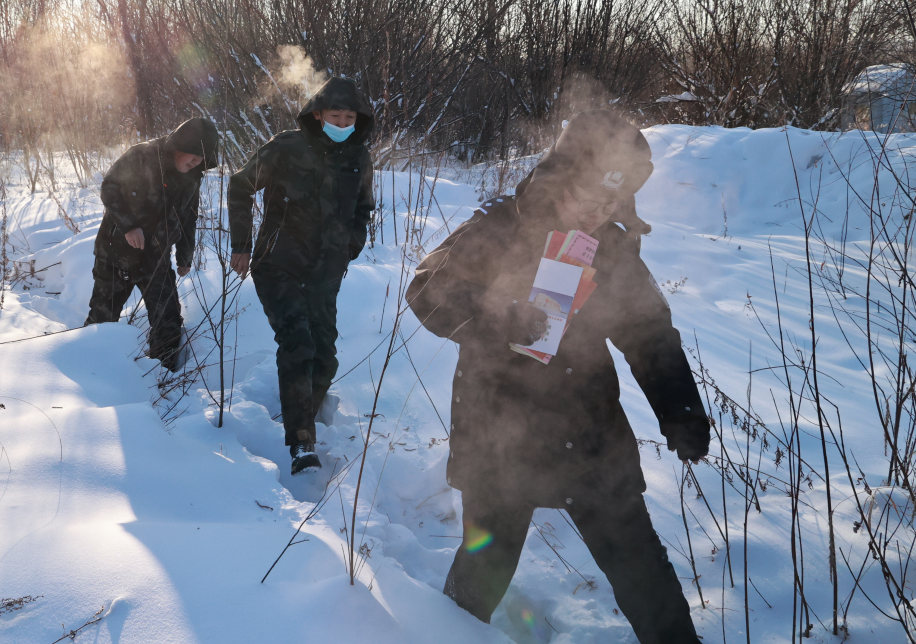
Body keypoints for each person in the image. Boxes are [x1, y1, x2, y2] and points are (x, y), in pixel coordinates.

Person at [405, 110, 709, 644]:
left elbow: (651, 336)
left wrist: (680, 407)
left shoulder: (611, 249)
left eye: (611, 203)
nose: (597, 213)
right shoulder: (497, 228)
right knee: (485, 563)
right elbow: (427, 290)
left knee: (641, 567)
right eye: (587, 197)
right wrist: (503, 317)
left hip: (589, 433)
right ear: (558, 179)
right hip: (500, 433)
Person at [228, 77, 374, 475]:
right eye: (335, 116)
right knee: (297, 343)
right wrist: (241, 243)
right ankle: (301, 442)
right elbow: (240, 186)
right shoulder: (286, 147)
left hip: (326, 272)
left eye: (349, 118)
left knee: (324, 357)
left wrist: (349, 248)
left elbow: (363, 209)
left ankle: (301, 407)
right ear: (318, 114)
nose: (342, 123)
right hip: (278, 264)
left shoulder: (359, 156)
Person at [86, 117, 219, 371]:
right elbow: (110, 188)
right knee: (102, 319)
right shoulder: (142, 155)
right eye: (192, 157)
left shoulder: (193, 177)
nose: (195, 163)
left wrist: (185, 256)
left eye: (200, 160)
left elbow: (189, 216)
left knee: (168, 320)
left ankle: (161, 376)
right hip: (116, 255)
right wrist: (129, 226)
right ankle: (92, 372)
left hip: (156, 258)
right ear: (179, 147)